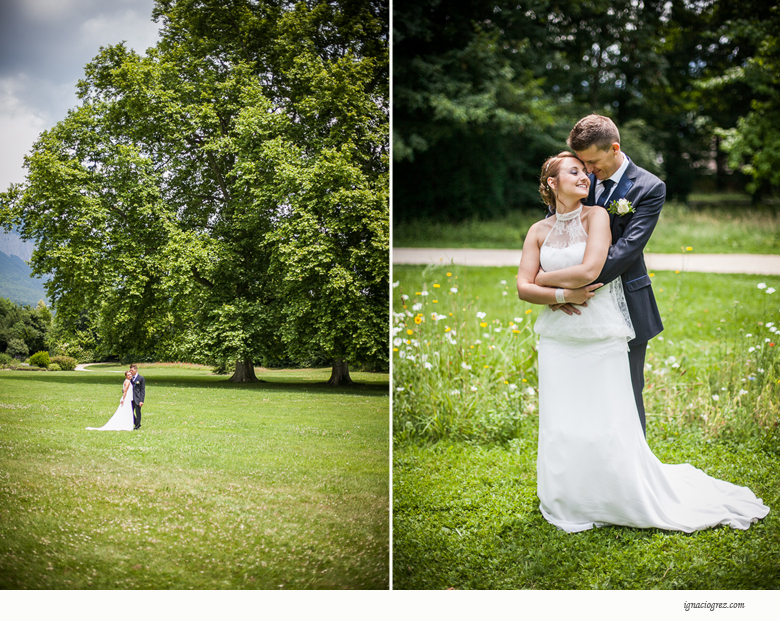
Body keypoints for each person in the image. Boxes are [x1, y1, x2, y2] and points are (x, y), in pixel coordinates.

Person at [515, 150, 769, 533]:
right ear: (552, 183)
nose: (586, 177)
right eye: (575, 171)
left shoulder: (598, 214)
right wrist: (562, 296)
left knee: (609, 408)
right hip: (557, 335)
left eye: (586, 171)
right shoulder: (537, 230)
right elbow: (522, 288)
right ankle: (568, 494)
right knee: (562, 414)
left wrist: (542, 282)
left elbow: (591, 268)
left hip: (599, 327)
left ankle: (617, 489)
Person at [545, 114, 663, 437]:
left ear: (614, 148)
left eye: (593, 163)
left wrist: (567, 283)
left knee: (627, 388)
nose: (588, 172)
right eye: (582, 164)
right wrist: (559, 291)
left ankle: (635, 474)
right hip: (578, 306)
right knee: (585, 389)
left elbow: (626, 250)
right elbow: (556, 226)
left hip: (627, 301)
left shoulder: (650, 188)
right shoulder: (582, 178)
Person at [129, 364, 145, 431]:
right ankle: (136, 422)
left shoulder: (141, 378)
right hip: (130, 398)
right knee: (130, 412)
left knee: (138, 412)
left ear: (136, 370)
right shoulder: (130, 377)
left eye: (132, 370)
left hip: (137, 398)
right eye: (130, 370)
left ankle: (137, 425)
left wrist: (141, 400)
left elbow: (142, 390)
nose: (131, 372)